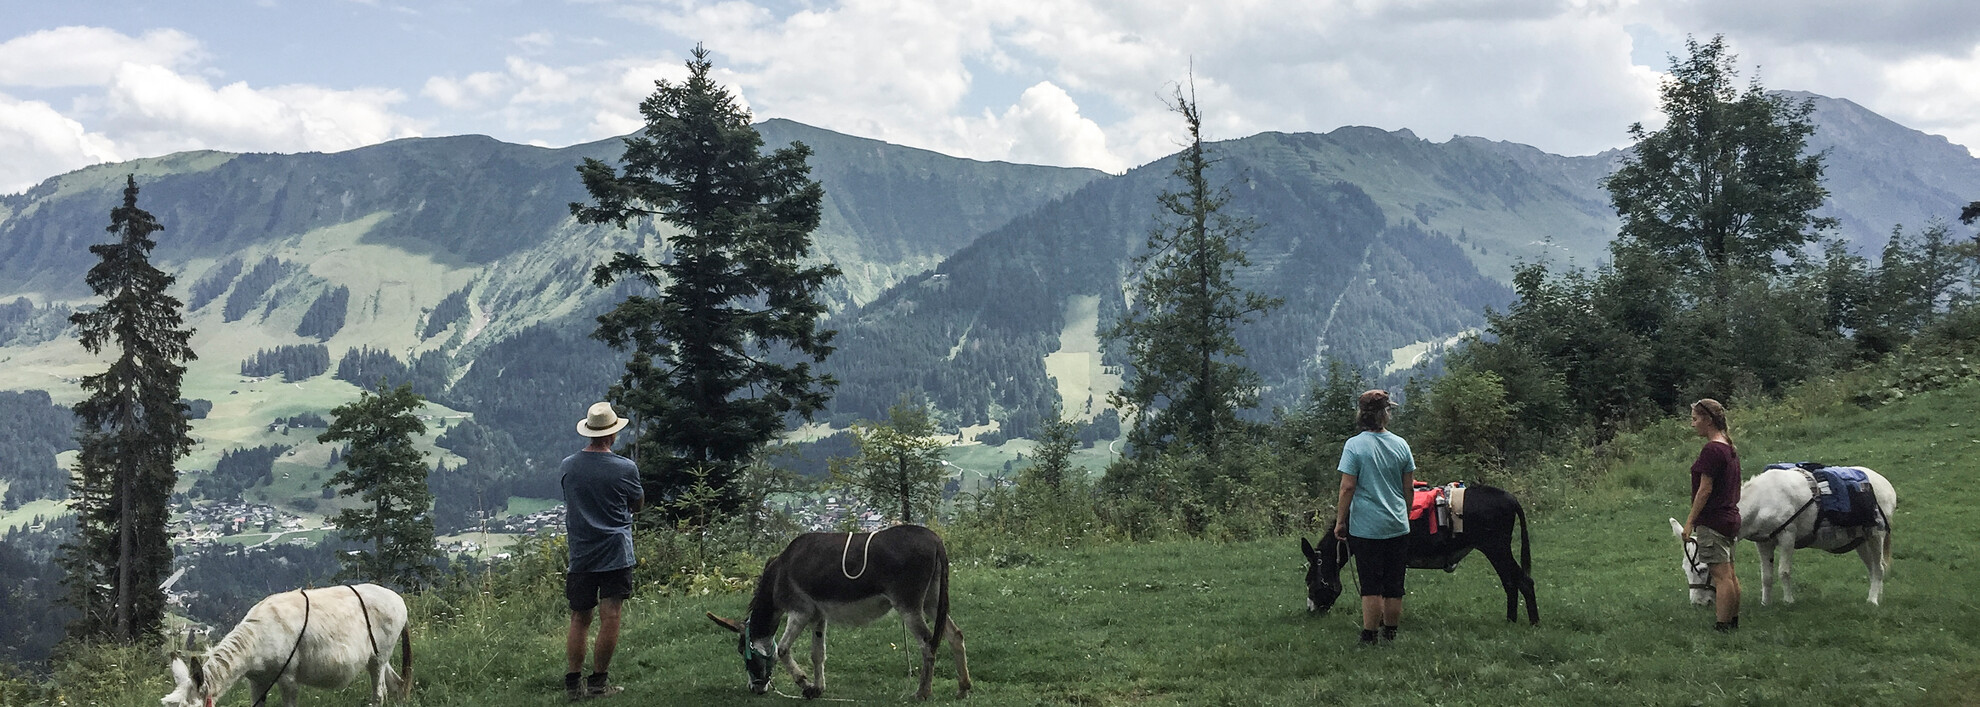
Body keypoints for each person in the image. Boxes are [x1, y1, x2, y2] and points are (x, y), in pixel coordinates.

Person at [562, 402, 644, 700]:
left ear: (590, 432)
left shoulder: (568, 465)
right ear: (612, 435)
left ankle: (573, 684)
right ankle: (598, 683)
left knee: (579, 618)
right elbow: (637, 504)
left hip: (581, 553)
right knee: (611, 616)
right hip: (616, 552)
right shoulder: (625, 468)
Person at [1332, 389, 1415, 645]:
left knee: (1371, 583)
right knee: (1394, 582)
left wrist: (1340, 521)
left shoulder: (1354, 446)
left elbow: (1347, 487)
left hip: (1367, 527)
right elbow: (1409, 487)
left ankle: (1369, 635)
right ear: (1384, 414)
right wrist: (1406, 514)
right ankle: (1391, 631)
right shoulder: (1401, 444)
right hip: (1397, 525)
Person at [1683, 398, 1742, 632]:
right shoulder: (1727, 445)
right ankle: (1733, 621)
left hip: (1714, 519)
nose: (1692, 424)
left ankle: (1722, 625)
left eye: (1695, 419)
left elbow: (1704, 489)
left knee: (1720, 576)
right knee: (1730, 574)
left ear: (1708, 420)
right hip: (1730, 517)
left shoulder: (1712, 450)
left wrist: (1690, 522)